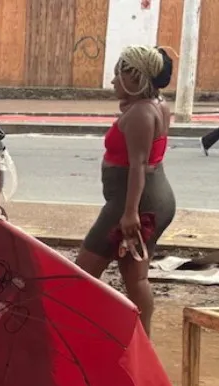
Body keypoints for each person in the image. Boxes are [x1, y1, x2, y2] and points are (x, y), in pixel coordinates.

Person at [76, 46, 175, 337]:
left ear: (134, 77)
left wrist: (130, 213)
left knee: (82, 274)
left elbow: (138, 165)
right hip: (155, 197)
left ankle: (76, 333)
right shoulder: (157, 105)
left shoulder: (139, 114)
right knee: (136, 277)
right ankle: (141, 343)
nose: (113, 81)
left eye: (118, 74)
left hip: (132, 203)